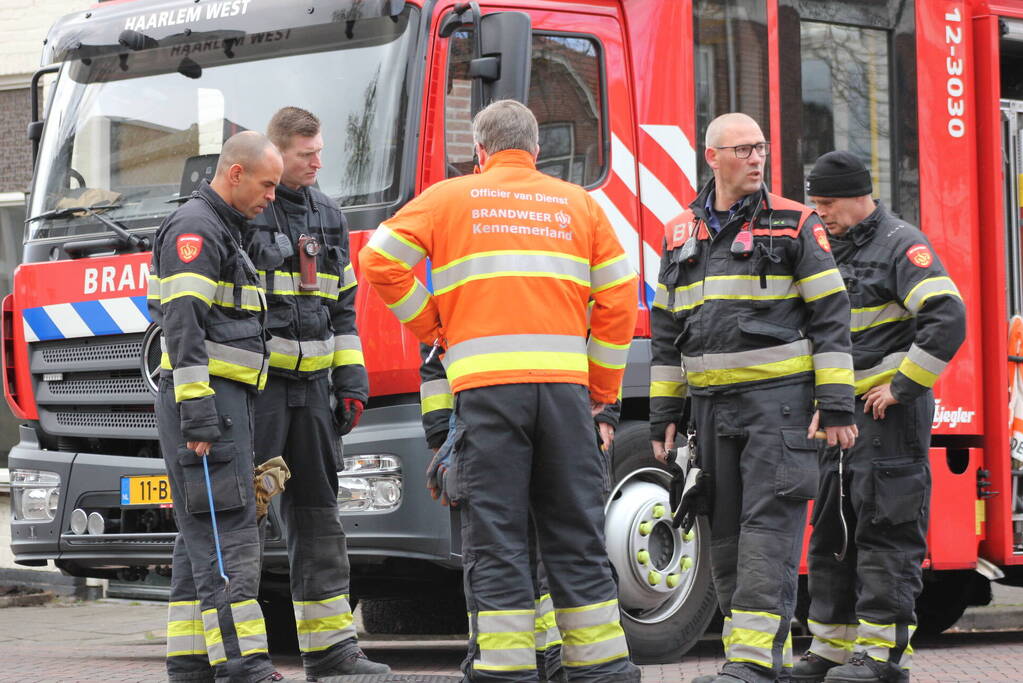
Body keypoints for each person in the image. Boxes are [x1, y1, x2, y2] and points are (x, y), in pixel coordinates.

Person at [360, 99, 641, 682]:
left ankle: (506, 671)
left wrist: (433, 325)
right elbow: (618, 294)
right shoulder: (578, 203)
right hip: (566, 395)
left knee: (498, 537)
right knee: (575, 534)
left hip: (487, 395)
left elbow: (379, 260)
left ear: (479, 152)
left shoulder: (448, 198)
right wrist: (601, 388)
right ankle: (603, 669)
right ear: (537, 150)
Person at [649, 113, 857, 683]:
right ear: (712, 157)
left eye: (761, 147)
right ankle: (759, 655)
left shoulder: (796, 222)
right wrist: (666, 414)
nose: (757, 158)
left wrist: (836, 403)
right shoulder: (679, 232)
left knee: (768, 529)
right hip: (711, 413)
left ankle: (749, 660)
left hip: (780, 407)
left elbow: (831, 315)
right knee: (724, 535)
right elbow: (667, 331)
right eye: (744, 149)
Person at [794, 151, 967, 683]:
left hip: (889, 418)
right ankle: (830, 648)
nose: (819, 212)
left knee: (885, 532)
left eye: (827, 202)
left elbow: (947, 316)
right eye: (814, 203)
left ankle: (883, 658)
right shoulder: (829, 247)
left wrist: (901, 386)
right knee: (832, 532)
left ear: (857, 195)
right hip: (844, 418)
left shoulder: (900, 244)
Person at [245, 107, 388, 679]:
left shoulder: (329, 214)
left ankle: (332, 653)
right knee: (242, 518)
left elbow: (343, 307)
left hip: (315, 396)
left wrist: (351, 380)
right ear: (278, 154)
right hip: (261, 394)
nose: (318, 162)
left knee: (319, 519)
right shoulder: (252, 211)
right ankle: (238, 654)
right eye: (307, 154)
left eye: (320, 151)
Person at [150, 131, 284, 683]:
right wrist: (200, 415)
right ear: (235, 174)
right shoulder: (198, 230)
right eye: (267, 183)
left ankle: (190, 661)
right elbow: (183, 326)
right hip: (209, 405)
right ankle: (243, 663)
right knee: (229, 534)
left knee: (199, 533)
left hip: (219, 403)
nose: (272, 196)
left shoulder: (222, 228)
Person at [419, 347, 621, 683]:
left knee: (513, 545)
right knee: (549, 542)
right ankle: (546, 659)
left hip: (513, 403)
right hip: (542, 402)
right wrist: (442, 434)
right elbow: (434, 356)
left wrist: (606, 408)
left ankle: (551, 656)